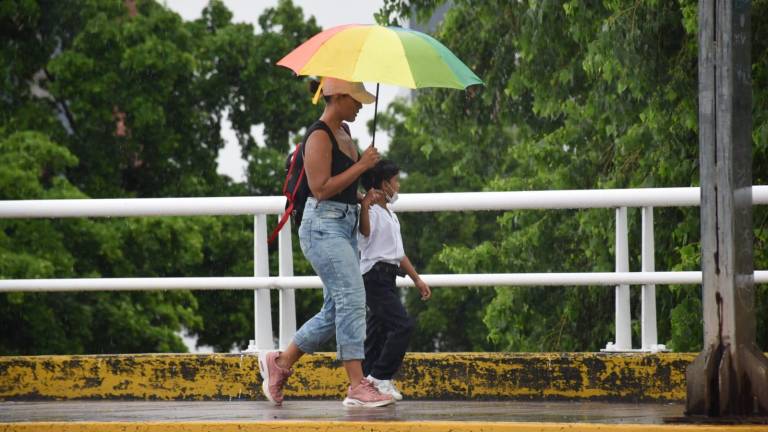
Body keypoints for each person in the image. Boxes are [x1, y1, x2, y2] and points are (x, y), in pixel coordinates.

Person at [258, 77, 394, 408]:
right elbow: (320, 188)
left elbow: (343, 186)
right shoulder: (318, 135)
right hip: (322, 227)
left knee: (337, 308)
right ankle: (356, 384)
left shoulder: (345, 134)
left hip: (343, 224)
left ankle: (280, 364)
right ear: (336, 96)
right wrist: (362, 165)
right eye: (356, 99)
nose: (361, 105)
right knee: (351, 298)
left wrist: (364, 198)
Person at [358, 160, 431, 401]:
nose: (398, 185)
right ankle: (380, 377)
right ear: (384, 184)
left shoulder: (391, 214)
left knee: (376, 332)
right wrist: (365, 205)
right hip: (374, 277)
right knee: (403, 325)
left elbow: (398, 254)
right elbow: (365, 232)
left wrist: (417, 280)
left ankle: (365, 382)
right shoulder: (371, 212)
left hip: (388, 277)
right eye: (396, 181)